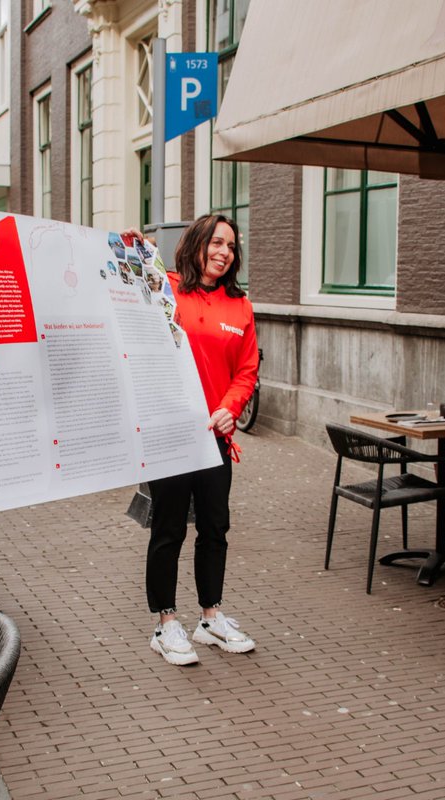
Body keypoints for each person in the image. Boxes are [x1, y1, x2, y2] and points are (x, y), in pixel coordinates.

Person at [131, 215, 260, 666]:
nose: (224, 252)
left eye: (231, 246)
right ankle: (166, 623)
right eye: (217, 243)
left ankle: (210, 618)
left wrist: (232, 405)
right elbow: (127, 286)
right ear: (199, 244)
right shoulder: (166, 288)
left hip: (216, 438)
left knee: (215, 528)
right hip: (171, 434)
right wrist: (137, 248)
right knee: (167, 529)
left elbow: (246, 370)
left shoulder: (240, 307)